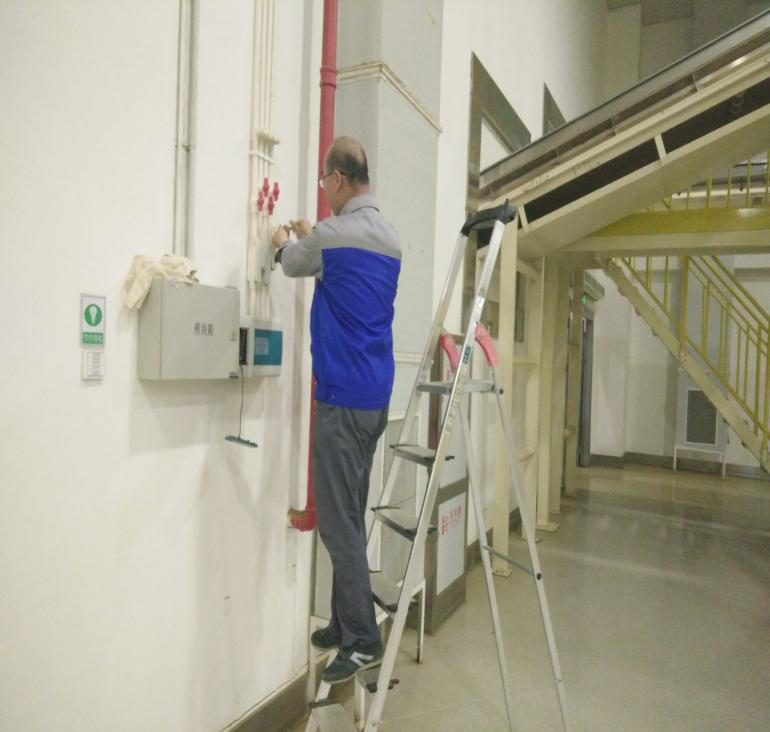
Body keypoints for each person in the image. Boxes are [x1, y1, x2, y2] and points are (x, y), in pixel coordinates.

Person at [271, 136, 401, 684]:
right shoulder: (389, 241)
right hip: (375, 400)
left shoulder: (330, 235)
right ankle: (343, 624)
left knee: (337, 523)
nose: (324, 189)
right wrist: (315, 238)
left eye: (326, 180)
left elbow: (292, 263)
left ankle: (364, 639)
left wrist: (283, 240)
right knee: (350, 511)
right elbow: (343, 280)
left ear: (340, 179)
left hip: (341, 400)